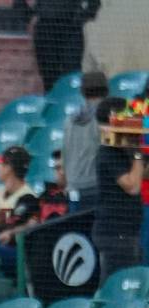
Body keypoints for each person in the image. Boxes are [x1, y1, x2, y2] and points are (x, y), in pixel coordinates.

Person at [92, 97, 144, 284]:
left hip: (128, 230)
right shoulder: (108, 151)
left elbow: (141, 175)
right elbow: (132, 185)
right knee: (117, 285)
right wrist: (138, 151)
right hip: (115, 233)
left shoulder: (121, 149)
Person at [13, 0, 101, 91]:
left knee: (72, 74)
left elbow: (94, 3)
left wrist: (82, 17)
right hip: (46, 28)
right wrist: (28, 16)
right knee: (49, 75)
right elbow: (19, 4)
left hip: (71, 28)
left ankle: (72, 103)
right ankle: (53, 103)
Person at [0, 146, 40, 277]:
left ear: (9, 167)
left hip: (15, 254)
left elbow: (29, 225)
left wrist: (10, 232)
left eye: (0, 164)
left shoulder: (28, 197)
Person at [61, 71, 108, 212]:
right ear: (106, 90)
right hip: (96, 189)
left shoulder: (69, 120)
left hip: (73, 189)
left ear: (83, 92)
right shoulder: (104, 118)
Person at [38, 149, 69, 222]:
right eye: (57, 168)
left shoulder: (83, 195)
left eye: (64, 168)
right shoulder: (45, 197)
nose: (61, 172)